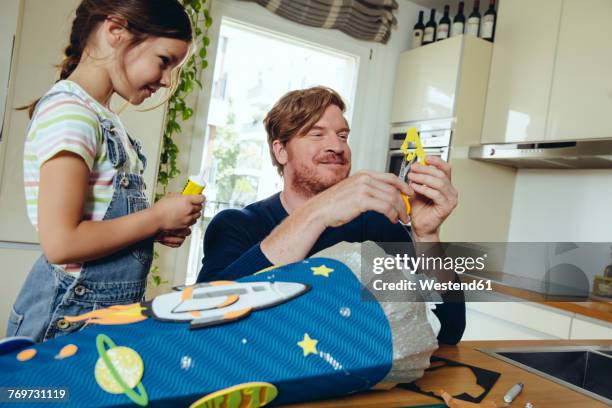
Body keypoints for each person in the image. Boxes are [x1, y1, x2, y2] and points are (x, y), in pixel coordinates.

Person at [198, 87, 465, 344]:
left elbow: (449, 330)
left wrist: (427, 235)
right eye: (317, 134)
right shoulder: (236, 225)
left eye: (343, 135)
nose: (337, 146)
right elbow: (202, 320)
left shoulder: (378, 225)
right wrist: (319, 212)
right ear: (281, 151)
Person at [7, 0, 205, 343]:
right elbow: (62, 242)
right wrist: (156, 218)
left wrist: (151, 229)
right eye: (164, 61)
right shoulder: (71, 113)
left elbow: (96, 222)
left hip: (98, 317)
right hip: (68, 318)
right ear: (115, 31)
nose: (167, 80)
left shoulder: (101, 117)